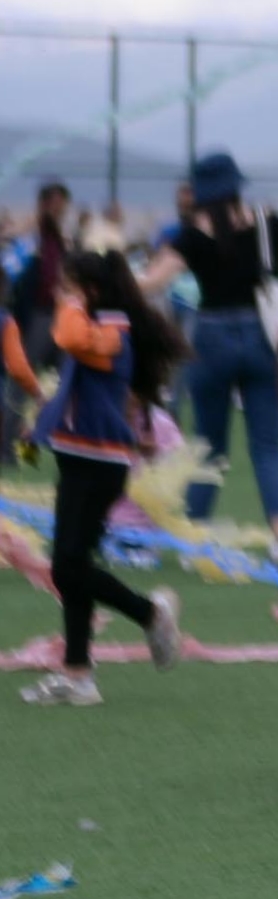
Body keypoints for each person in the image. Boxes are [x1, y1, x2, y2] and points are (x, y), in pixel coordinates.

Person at [135, 150, 278, 565]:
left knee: (209, 448)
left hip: (210, 337)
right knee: (266, 446)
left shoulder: (190, 235)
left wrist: (105, 278)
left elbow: (153, 282)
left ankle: (192, 539)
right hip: (261, 336)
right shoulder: (267, 224)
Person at [9, 227, 185, 705]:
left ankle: (150, 613)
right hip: (77, 457)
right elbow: (72, 387)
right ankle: (78, 675)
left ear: (88, 290)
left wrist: (70, 302)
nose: (58, 293)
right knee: (71, 566)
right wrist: (40, 425)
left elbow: (66, 333)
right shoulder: (93, 326)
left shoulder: (111, 330)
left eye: (66, 285)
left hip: (101, 464)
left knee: (68, 564)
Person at [3, 178, 69, 463]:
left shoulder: (57, 237)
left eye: (62, 205)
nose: (59, 210)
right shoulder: (31, 235)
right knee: (22, 384)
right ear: (44, 204)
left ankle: (45, 445)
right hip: (34, 319)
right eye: (54, 204)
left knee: (61, 383)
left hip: (58, 318)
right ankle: (8, 449)